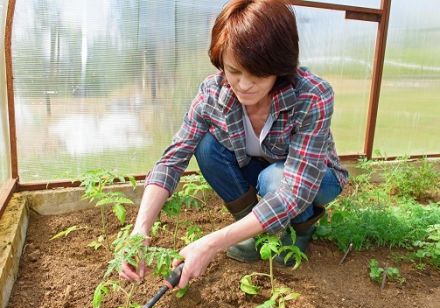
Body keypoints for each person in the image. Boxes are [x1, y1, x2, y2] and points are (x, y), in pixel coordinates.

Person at [120, 0, 349, 288]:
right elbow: (173, 159)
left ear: (279, 66)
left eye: (258, 74)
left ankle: (300, 233)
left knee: (274, 179)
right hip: (266, 170)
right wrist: (140, 231)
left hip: (316, 179)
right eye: (235, 70)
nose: (243, 85)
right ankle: (255, 233)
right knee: (205, 146)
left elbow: (294, 190)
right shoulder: (213, 93)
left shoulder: (312, 95)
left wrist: (211, 243)